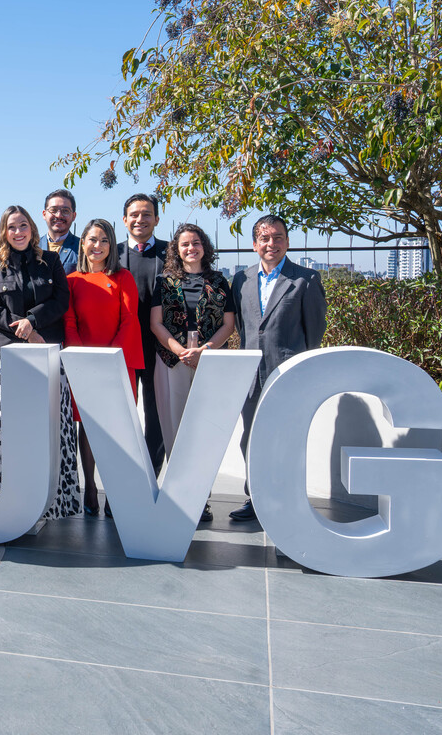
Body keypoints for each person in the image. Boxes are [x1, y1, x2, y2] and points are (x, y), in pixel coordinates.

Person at [0, 205, 80, 519]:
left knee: (47, 428)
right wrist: (25, 331)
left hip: (47, 356)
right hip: (7, 357)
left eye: (23, 226)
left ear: (32, 229)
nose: (18, 232)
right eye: (12, 227)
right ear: (4, 231)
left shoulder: (51, 261)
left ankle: (49, 500)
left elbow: (60, 301)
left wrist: (33, 322)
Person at [229, 213, 327, 522]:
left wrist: (302, 370)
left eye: (279, 237)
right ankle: (255, 498)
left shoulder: (306, 280)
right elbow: (245, 329)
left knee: (285, 439)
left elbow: (314, 332)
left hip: (287, 374)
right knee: (250, 439)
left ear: (287, 241)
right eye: (265, 238)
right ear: (255, 244)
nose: (272, 244)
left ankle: (284, 500)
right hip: (249, 377)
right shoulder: (241, 280)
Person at [149, 223, 236, 522]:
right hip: (172, 359)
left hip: (208, 361)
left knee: (203, 428)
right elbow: (156, 323)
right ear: (176, 249)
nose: (191, 248)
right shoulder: (164, 282)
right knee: (173, 427)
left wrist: (205, 350)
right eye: (184, 244)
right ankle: (179, 494)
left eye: (196, 243)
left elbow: (228, 324)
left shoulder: (220, 281)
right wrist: (179, 350)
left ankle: (202, 499)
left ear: (204, 247)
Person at [64, 219, 144, 516]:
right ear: (82, 243)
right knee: (87, 426)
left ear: (111, 245)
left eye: (103, 240)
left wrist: (108, 360)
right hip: (83, 364)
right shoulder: (73, 280)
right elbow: (69, 322)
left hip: (118, 364)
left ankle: (115, 491)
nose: (96, 246)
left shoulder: (123, 277)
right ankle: (90, 487)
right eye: (91, 240)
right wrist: (83, 358)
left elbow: (129, 319)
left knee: (119, 429)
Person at [117, 193, 169, 472]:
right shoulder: (112, 254)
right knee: (122, 415)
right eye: (134, 214)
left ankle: (151, 475)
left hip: (160, 348)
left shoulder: (172, 252)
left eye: (146, 214)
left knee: (157, 415)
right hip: (122, 348)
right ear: (124, 220)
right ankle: (124, 478)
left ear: (156, 219)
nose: (140, 219)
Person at [40, 189, 80, 274]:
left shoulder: (83, 249)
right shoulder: (32, 247)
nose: (59, 215)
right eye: (53, 210)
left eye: (65, 211)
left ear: (74, 216)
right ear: (44, 214)